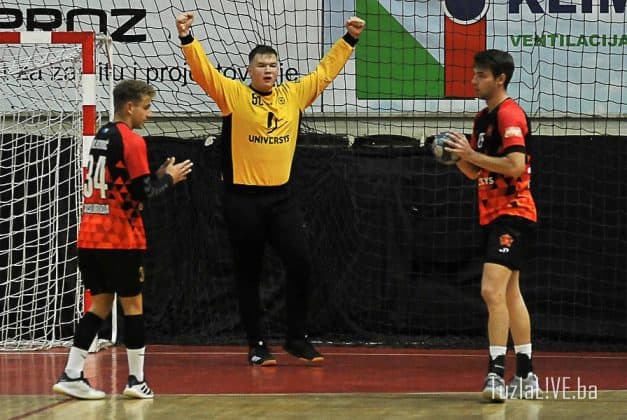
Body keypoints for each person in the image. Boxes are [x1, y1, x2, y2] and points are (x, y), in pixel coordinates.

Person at [175, 11, 365, 366]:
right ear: (250, 70)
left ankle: (296, 338)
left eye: (273, 65)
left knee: (301, 262)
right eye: (262, 65)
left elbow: (325, 73)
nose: (268, 70)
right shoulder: (233, 95)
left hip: (281, 199)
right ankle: (257, 344)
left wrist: (349, 39)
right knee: (250, 272)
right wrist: (187, 37)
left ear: (279, 70)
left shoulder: (293, 95)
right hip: (242, 200)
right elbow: (204, 72)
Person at [52, 80, 194, 399]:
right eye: (146, 107)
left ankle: (72, 373)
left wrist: (155, 177)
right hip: (119, 238)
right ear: (130, 107)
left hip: (89, 236)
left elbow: (123, 187)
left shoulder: (102, 136)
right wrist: (168, 180)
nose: (149, 114)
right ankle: (135, 380)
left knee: (100, 304)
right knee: (133, 306)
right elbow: (141, 193)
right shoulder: (132, 140)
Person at [444, 50, 542, 402]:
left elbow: (515, 165)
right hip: (492, 213)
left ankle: (496, 374)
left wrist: (471, 155)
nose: (474, 80)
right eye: (474, 74)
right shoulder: (481, 118)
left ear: (500, 78)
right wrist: (456, 157)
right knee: (510, 293)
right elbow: (476, 171)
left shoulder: (509, 114)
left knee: (490, 290)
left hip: (513, 212)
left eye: (481, 75)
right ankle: (526, 375)